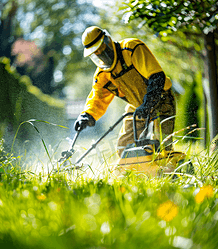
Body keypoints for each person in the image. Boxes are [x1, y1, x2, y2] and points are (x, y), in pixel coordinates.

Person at [74, 26, 176, 157]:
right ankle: (134, 174)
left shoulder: (131, 49)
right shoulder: (103, 74)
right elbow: (97, 97)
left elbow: (156, 77)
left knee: (162, 146)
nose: (101, 53)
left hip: (161, 99)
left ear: (107, 40)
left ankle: (174, 171)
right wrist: (87, 115)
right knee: (124, 147)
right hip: (137, 107)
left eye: (101, 48)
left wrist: (149, 103)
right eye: (96, 52)